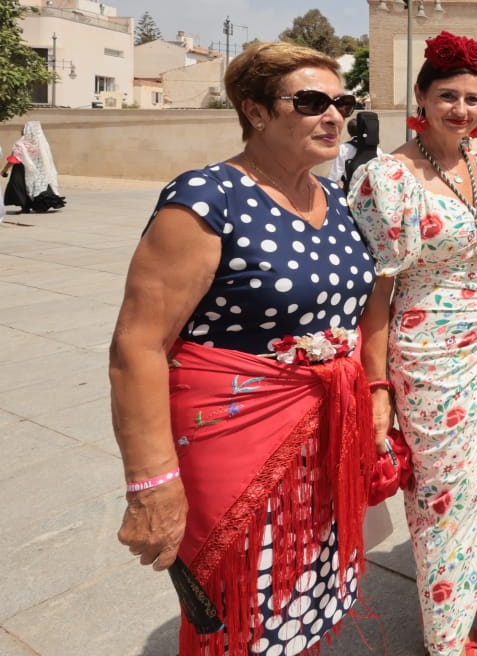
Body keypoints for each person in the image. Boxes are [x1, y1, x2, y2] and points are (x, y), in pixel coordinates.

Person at [108, 42, 375, 656]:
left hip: (324, 435)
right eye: (310, 102)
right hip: (234, 432)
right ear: (254, 111)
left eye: (343, 102)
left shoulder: (333, 199)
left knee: (307, 587)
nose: (333, 116)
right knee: (242, 598)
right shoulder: (207, 199)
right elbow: (138, 346)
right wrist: (151, 481)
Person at [348, 32, 477, 656]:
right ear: (420, 96)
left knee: (472, 491)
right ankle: (446, 640)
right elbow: (376, 294)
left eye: (473, 98)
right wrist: (378, 387)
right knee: (445, 497)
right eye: (448, 96)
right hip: (428, 357)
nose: (462, 110)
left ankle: (456, 614)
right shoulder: (388, 177)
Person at [3, 122, 66, 212]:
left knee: (20, 187)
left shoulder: (20, 144)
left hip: (21, 170)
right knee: (39, 186)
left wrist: (4, 170)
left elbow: (13, 159)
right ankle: (41, 205)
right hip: (38, 170)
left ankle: (25, 207)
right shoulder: (40, 145)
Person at [333, 110, 382, 190]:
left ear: (349, 132)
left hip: (351, 195)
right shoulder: (377, 150)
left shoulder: (343, 149)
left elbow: (334, 177)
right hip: (372, 194)